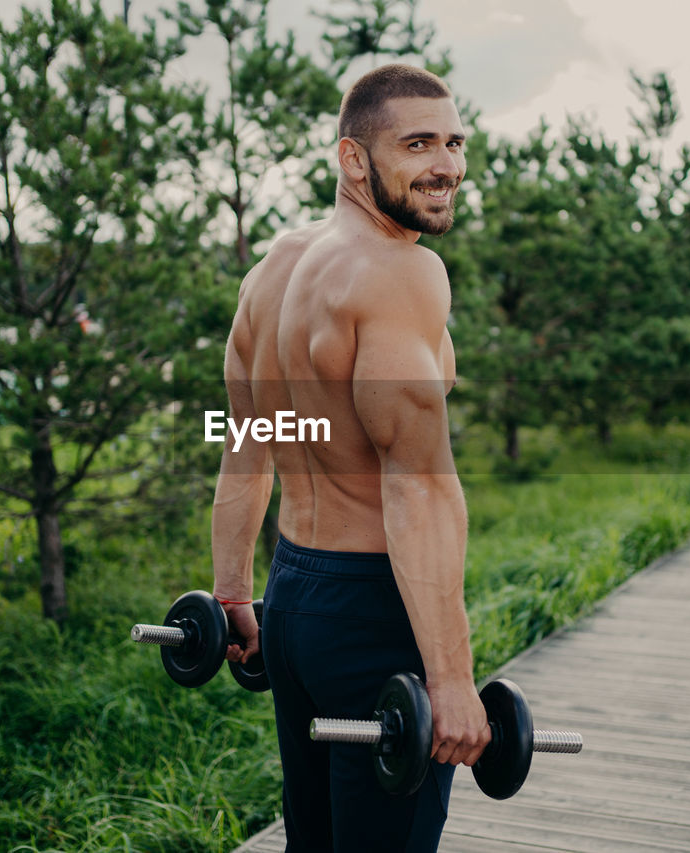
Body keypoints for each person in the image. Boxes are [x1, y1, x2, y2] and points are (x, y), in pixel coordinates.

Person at [209, 63, 489, 852]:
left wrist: (235, 595)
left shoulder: (274, 270)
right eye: (418, 144)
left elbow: (248, 444)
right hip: (372, 616)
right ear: (353, 159)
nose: (448, 165)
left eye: (455, 142)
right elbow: (419, 489)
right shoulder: (402, 273)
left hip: (295, 603)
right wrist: (452, 677)